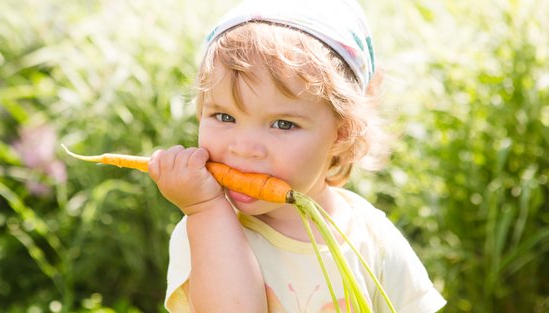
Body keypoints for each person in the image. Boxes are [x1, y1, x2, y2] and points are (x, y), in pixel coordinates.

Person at [147, 0, 447, 312]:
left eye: (283, 124)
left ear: (342, 133)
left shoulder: (373, 237)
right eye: (224, 117)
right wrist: (205, 209)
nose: (244, 147)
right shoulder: (207, 229)